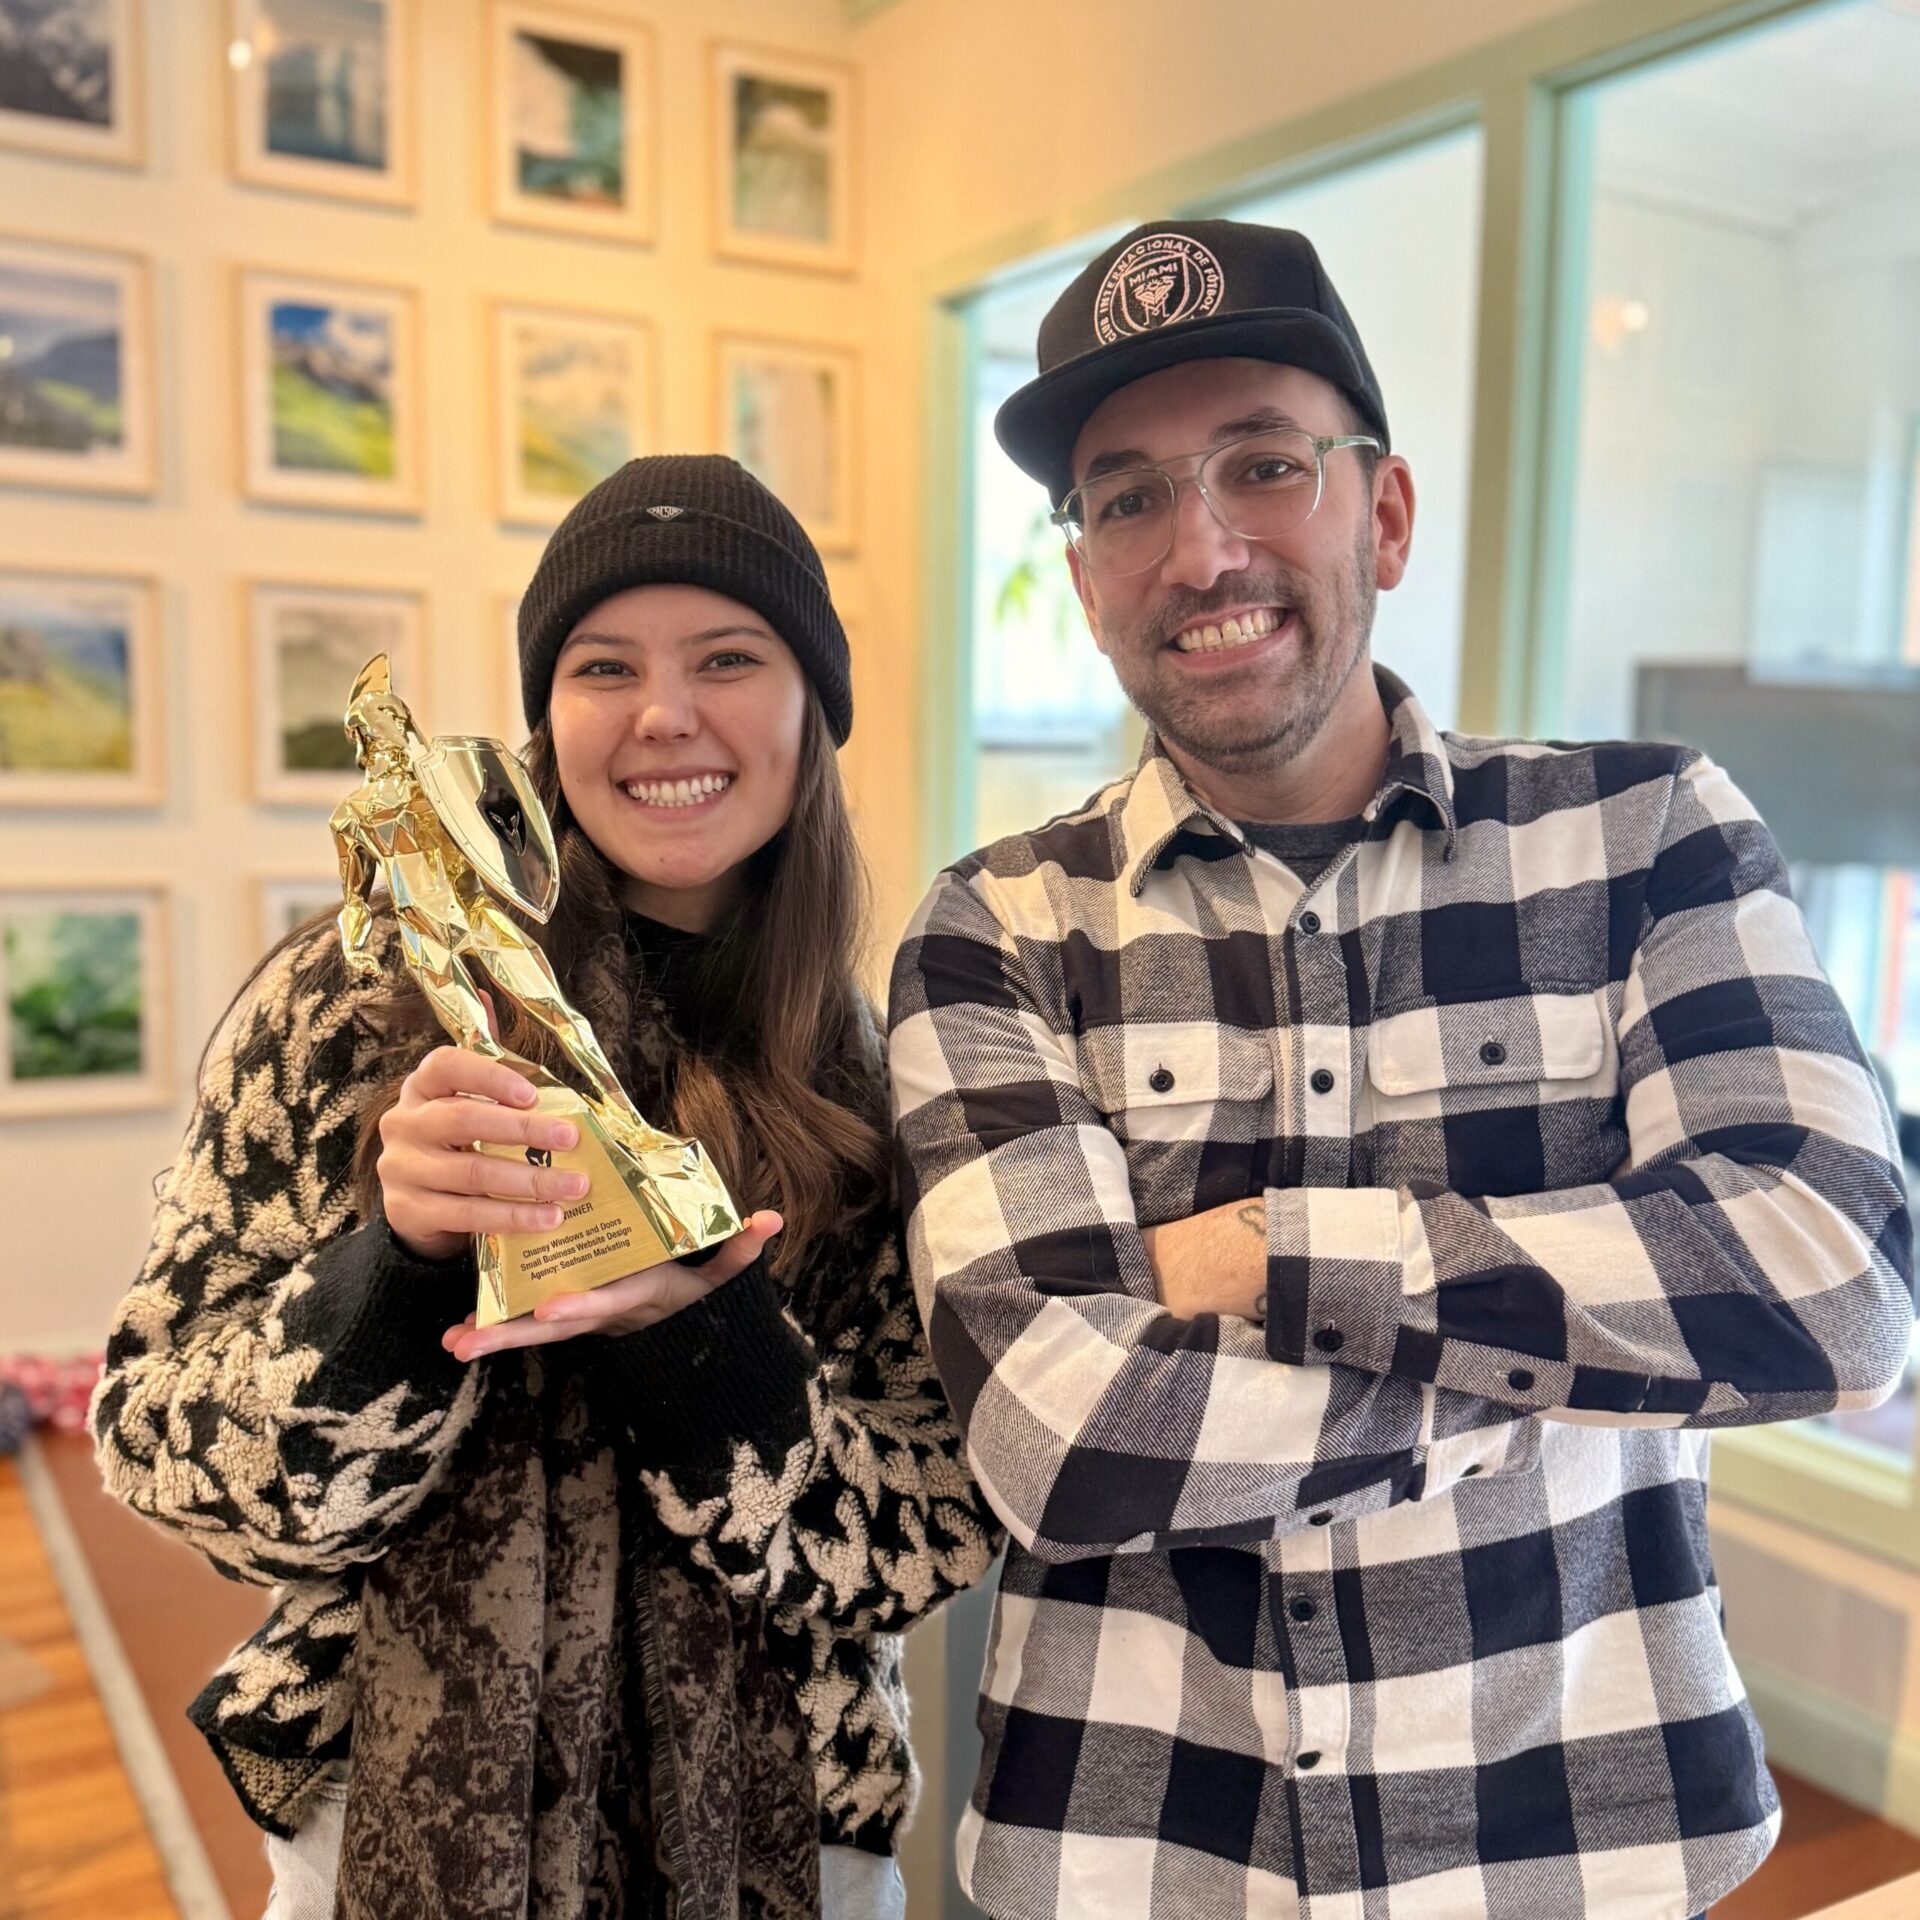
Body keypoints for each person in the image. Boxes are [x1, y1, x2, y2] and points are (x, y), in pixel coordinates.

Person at [888, 220, 1916, 1920]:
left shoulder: (1647, 834)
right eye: (1126, 497)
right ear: (1082, 581)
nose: (1199, 548)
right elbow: (1062, 1446)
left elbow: (1837, 1287)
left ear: (1384, 513)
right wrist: (1572, 1374)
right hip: (1144, 1853)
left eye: (1263, 466)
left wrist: (1271, 1256)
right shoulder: (995, 929)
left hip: (1588, 1843)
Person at [91, 454, 1000, 1920]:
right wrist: (395, 1273)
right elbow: (161, 1456)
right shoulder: (358, 1004)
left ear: (812, 708)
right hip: (378, 1832)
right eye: (604, 666)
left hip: (782, 1839)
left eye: (728, 658)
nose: (664, 716)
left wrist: (702, 1342)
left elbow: (926, 1534)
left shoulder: (881, 1083)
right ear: (545, 715)